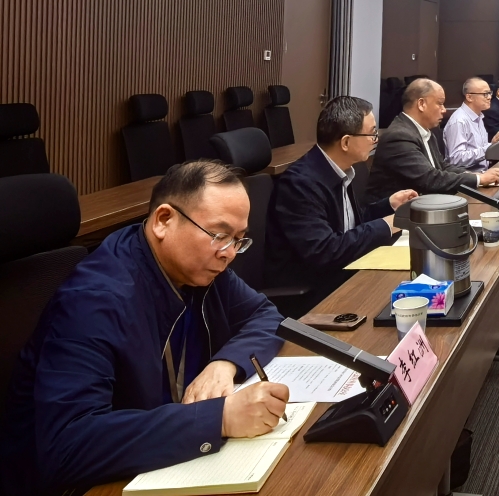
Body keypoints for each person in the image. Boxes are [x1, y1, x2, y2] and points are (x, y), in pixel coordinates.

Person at [1, 161, 289, 495]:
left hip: (158, 453)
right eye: (220, 235)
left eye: (238, 239)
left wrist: (224, 364)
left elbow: (267, 317)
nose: (230, 254)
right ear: (164, 220)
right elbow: (68, 446)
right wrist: (221, 418)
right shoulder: (94, 300)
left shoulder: (203, 270)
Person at [266, 96, 418, 307]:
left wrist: (389, 206)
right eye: (371, 133)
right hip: (315, 293)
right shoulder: (300, 184)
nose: (375, 140)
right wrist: (390, 224)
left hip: (342, 274)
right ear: (346, 142)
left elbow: (348, 226)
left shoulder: (338, 170)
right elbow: (325, 250)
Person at [367, 79, 499, 206]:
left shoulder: (425, 131)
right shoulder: (400, 136)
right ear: (421, 104)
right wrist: (479, 180)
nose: (444, 110)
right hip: (396, 214)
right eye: (440, 103)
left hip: (423, 204)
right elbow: (430, 179)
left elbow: (442, 166)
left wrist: (475, 175)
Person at [445, 77, 499, 170]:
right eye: (485, 94)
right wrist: (489, 148)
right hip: (468, 176)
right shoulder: (459, 121)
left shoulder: (479, 116)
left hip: (484, 171)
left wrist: (495, 144)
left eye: (490, 93)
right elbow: (456, 159)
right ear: (469, 97)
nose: (489, 97)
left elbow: (479, 149)